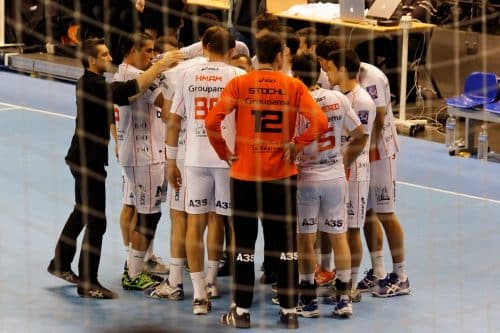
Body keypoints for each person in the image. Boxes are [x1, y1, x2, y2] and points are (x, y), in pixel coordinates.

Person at [206, 32, 328, 329]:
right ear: (278, 57)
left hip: (245, 176)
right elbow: (320, 122)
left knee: (244, 247)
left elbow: (211, 121)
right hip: (281, 177)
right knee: (285, 247)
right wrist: (298, 142)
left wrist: (225, 153)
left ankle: (242, 312)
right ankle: (289, 314)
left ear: (258, 55)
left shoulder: (239, 83)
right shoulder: (293, 85)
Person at [47, 38, 185, 299]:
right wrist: (161, 66)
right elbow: (130, 89)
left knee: (81, 212)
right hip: (88, 161)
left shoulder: (88, 82)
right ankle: (88, 282)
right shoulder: (94, 84)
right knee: (96, 222)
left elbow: (121, 98)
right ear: (91, 61)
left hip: (81, 157)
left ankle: (60, 263)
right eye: (104, 54)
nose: (109, 57)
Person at [165, 26, 245, 315]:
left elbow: (173, 121)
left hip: (195, 158)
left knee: (195, 223)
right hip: (228, 160)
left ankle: (199, 295)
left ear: (204, 45)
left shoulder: (187, 75)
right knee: (230, 223)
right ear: (232, 49)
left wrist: (170, 161)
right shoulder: (238, 76)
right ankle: (221, 285)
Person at [292, 53, 368, 318]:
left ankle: (309, 302)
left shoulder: (296, 102)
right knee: (339, 236)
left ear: (296, 76)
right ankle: (344, 299)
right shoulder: (338, 98)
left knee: (306, 238)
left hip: (307, 178)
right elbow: (360, 135)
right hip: (335, 176)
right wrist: (343, 161)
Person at [143, 29, 210, 302]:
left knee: (180, 219)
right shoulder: (212, 70)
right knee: (207, 220)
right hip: (211, 157)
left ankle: (176, 282)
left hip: (183, 156)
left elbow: (171, 118)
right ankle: (209, 282)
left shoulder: (173, 76)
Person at [114, 32, 173, 291]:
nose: (151, 56)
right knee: (148, 216)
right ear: (131, 50)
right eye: (147, 51)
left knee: (144, 212)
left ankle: (137, 265)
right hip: (143, 156)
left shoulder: (130, 73)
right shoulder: (136, 77)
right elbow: (169, 110)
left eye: (153, 51)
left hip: (142, 154)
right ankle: (134, 273)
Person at [325, 49, 376, 302]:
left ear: (343, 70)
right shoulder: (337, 95)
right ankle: (338, 277)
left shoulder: (363, 101)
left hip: (354, 171)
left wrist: (341, 165)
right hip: (337, 170)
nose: (328, 73)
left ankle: (351, 284)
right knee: (336, 228)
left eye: (331, 68)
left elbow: (361, 140)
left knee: (352, 229)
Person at [357, 61, 410, 298]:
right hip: (363, 155)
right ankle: (378, 273)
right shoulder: (332, 77)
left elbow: (378, 118)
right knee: (367, 213)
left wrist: (368, 149)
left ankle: (401, 277)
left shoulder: (373, 77)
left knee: (385, 213)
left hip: (381, 153)